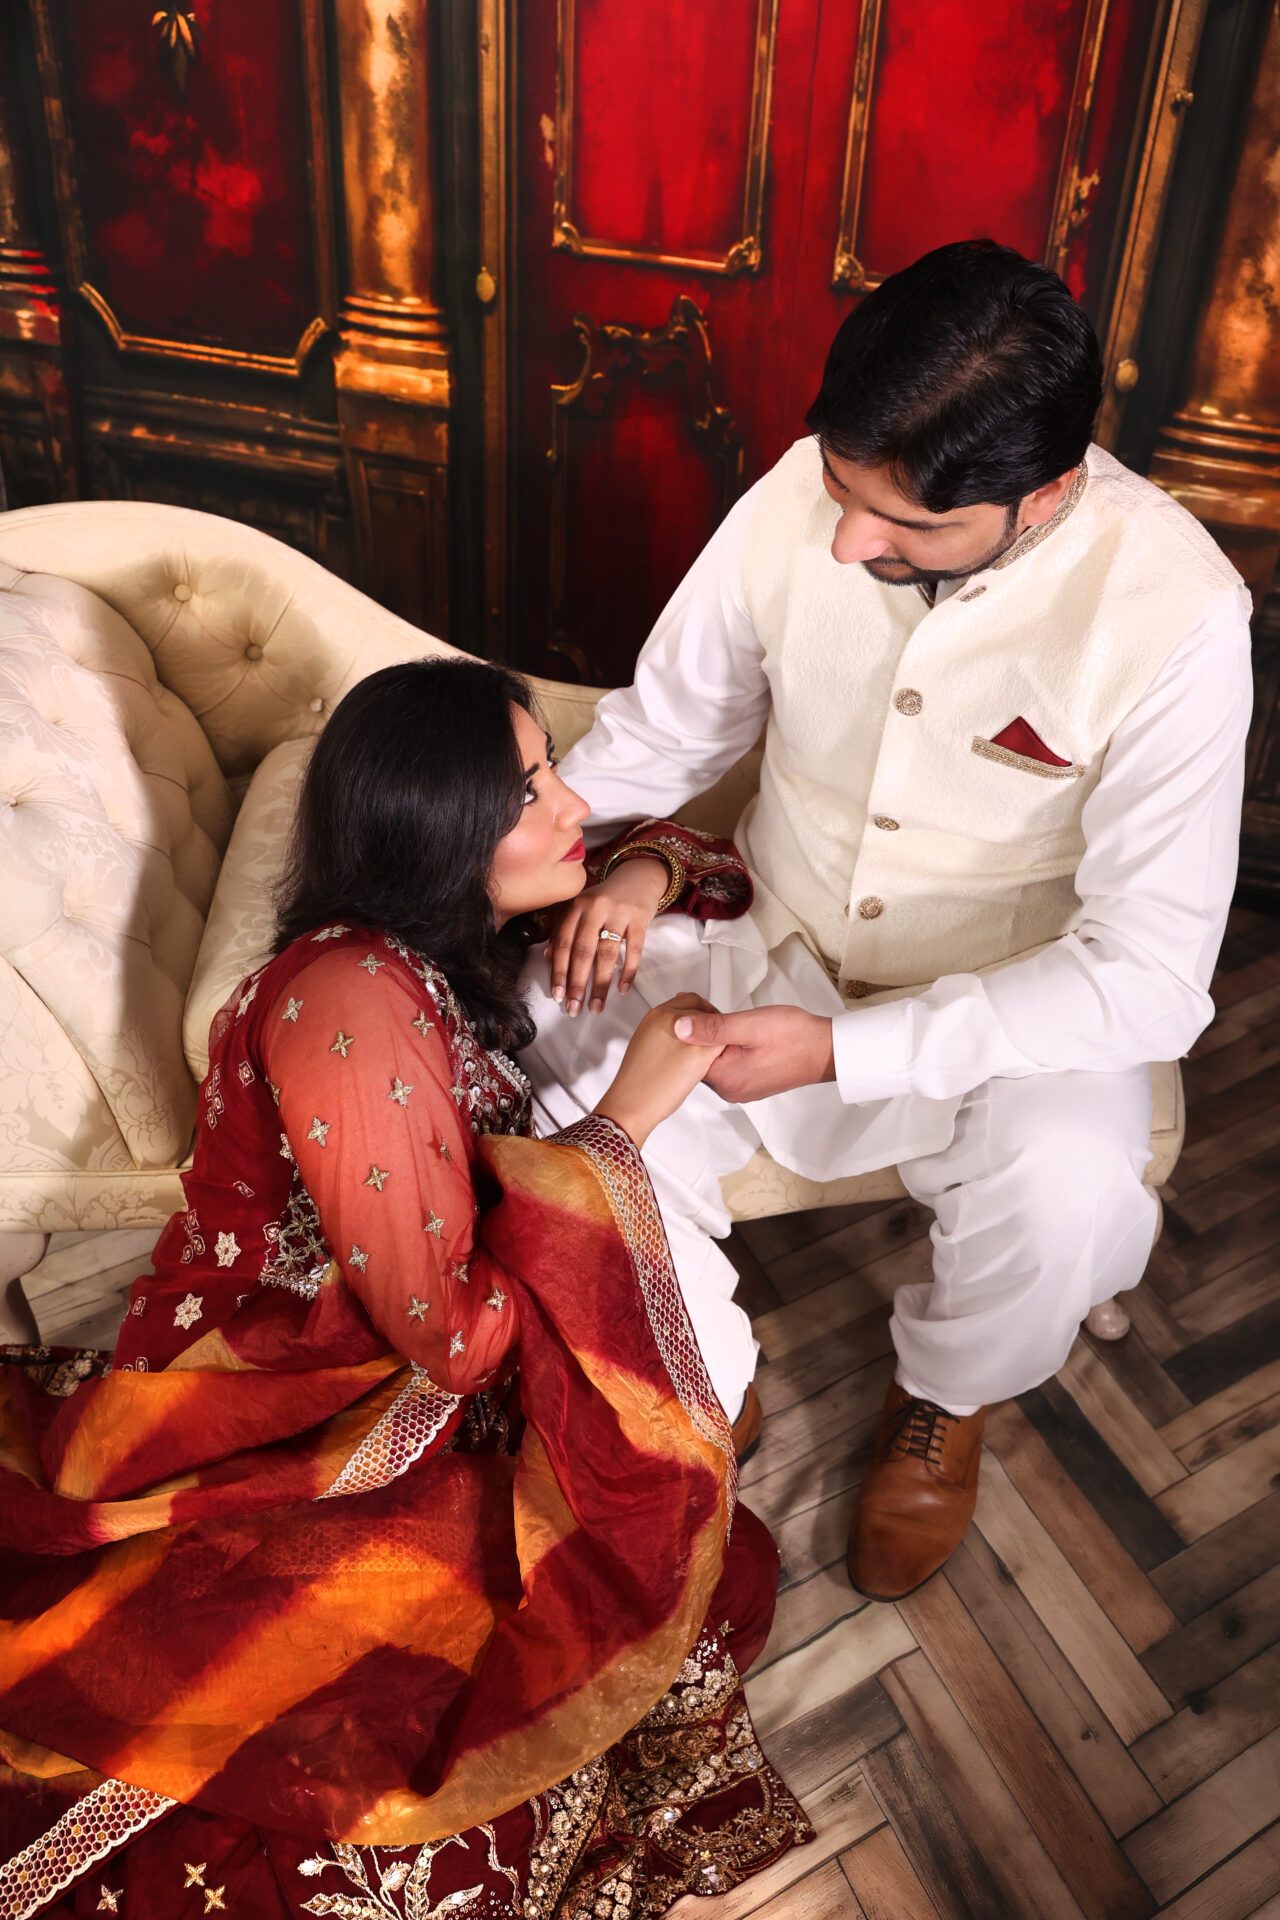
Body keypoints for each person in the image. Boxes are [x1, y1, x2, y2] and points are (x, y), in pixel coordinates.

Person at [0, 660, 812, 1919]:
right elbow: (456, 1342)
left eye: (549, 767)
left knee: (644, 1522)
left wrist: (638, 878)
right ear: (439, 827)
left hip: (380, 1328)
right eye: (530, 785)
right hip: (286, 1387)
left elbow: (711, 860)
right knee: (472, 1661)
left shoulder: (451, 925)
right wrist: (629, 1116)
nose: (567, 803)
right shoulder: (352, 1003)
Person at [521, 239, 1254, 1605]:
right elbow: (674, 728)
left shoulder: (1183, 616)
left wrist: (844, 1052)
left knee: (1072, 1188)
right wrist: (501, 839)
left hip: (1017, 1003)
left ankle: (946, 1398)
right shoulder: (815, 493)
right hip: (769, 923)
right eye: (841, 491)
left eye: (905, 528)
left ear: (1040, 498)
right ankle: (703, 1381)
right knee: (554, 1080)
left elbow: (1150, 976)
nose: (852, 539)